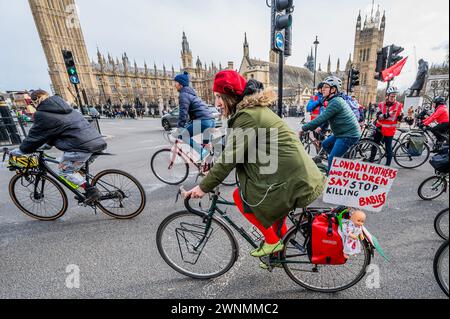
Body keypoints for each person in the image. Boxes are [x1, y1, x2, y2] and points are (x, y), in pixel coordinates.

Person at [184, 70, 325, 267]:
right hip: (296, 173)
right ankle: (277, 253)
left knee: (239, 196)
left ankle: (273, 242)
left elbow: (229, 159)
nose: (216, 103)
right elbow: (235, 143)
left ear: (231, 95)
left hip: (291, 178)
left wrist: (203, 187)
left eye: (218, 96)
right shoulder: (252, 111)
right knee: (274, 212)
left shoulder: (247, 116)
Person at [9, 90, 107, 204]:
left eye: (32, 103)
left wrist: (21, 150)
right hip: (97, 142)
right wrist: (47, 145)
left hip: (81, 147)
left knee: (65, 171)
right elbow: (57, 130)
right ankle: (86, 190)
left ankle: (91, 191)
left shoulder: (43, 114)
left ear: (36, 101)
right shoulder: (66, 108)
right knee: (75, 168)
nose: (33, 105)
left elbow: (34, 136)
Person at [300, 76, 361, 173]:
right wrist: (320, 127)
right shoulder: (334, 101)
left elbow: (321, 118)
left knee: (332, 159)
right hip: (340, 133)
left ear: (333, 89)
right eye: (323, 87)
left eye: (326, 87)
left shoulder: (336, 102)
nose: (323, 89)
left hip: (349, 135)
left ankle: (331, 179)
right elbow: (327, 118)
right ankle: (338, 164)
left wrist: (304, 128)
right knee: (325, 144)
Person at [174, 71, 215, 160]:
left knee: (183, 135)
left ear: (180, 84)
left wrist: (179, 128)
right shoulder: (191, 94)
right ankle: (206, 168)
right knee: (206, 147)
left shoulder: (183, 95)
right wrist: (188, 123)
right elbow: (194, 112)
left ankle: (202, 152)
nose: (175, 85)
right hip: (211, 120)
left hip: (203, 121)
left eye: (176, 82)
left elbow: (183, 114)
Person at [369, 87, 404, 166]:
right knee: (374, 145)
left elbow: (400, 118)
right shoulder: (381, 105)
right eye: (392, 96)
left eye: (395, 96)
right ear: (387, 96)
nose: (393, 98)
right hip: (379, 128)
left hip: (390, 130)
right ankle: (371, 161)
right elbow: (378, 116)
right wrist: (388, 114)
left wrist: (403, 117)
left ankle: (387, 166)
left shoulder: (399, 106)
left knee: (388, 148)